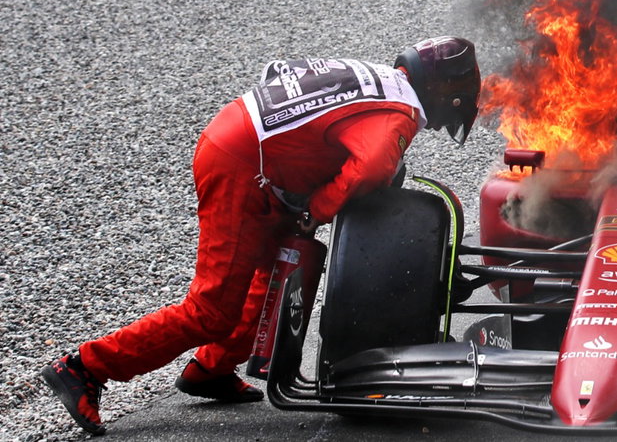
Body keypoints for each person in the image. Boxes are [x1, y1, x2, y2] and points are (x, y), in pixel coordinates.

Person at [41, 37, 481, 437]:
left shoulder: (379, 78)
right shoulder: (398, 115)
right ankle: (85, 367)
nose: (443, 124)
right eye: (452, 109)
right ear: (443, 92)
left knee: (280, 263)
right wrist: (314, 211)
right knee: (211, 310)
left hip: (245, 147)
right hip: (240, 165)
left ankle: (211, 370)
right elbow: (369, 170)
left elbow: (279, 73)